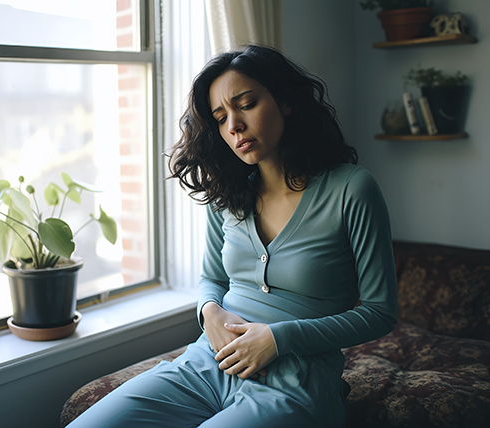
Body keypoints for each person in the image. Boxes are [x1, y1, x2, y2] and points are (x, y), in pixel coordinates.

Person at [67, 44, 397, 428]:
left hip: (296, 381)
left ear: (286, 102)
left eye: (247, 104)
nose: (234, 126)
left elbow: (379, 313)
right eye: (221, 118)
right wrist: (210, 312)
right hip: (207, 363)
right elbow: (212, 279)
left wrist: (278, 339)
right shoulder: (226, 194)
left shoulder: (352, 189)